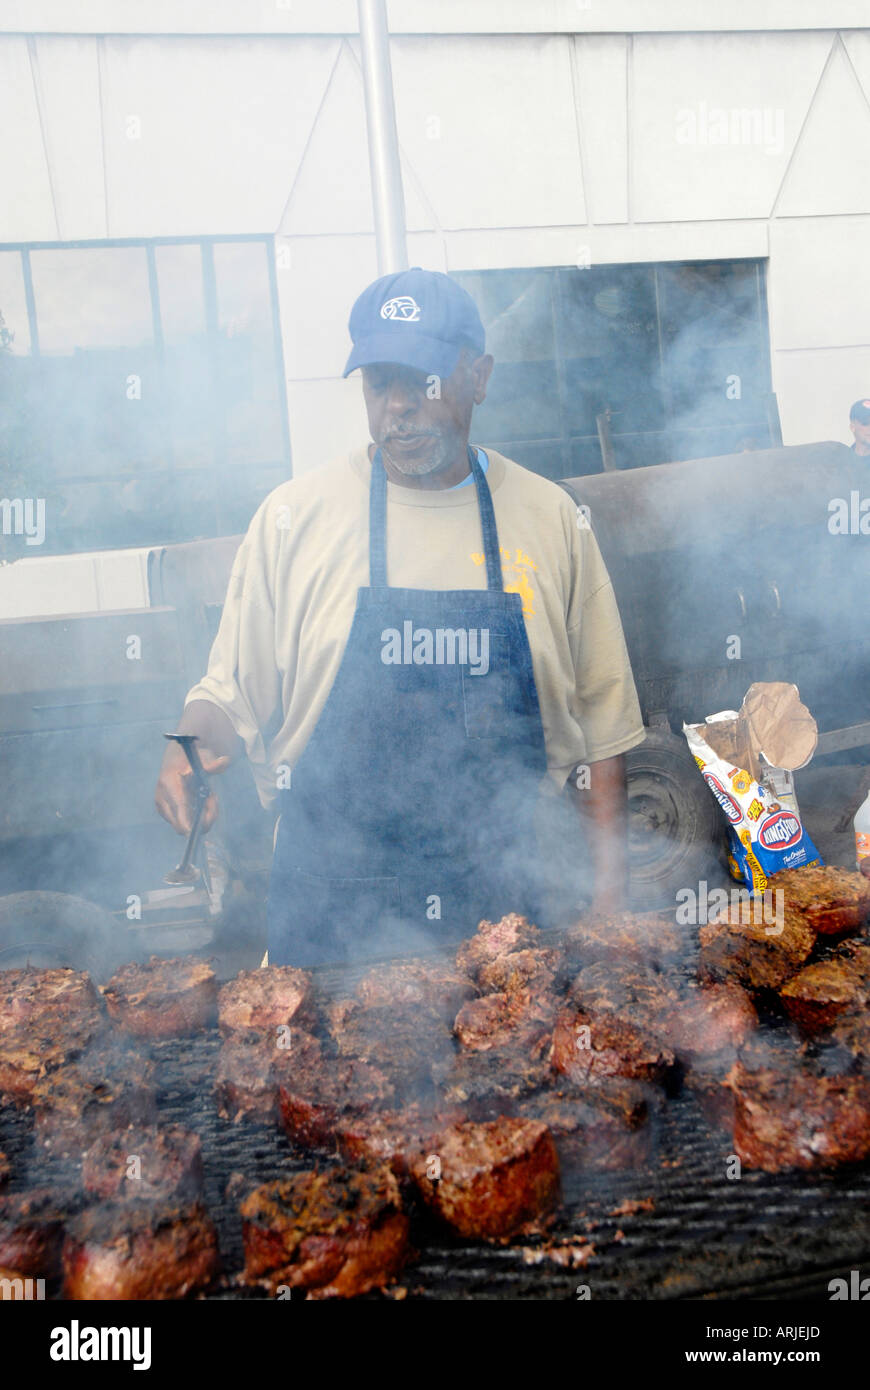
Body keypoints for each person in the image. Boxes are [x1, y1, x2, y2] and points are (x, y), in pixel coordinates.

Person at [154, 268, 645, 966]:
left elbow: (603, 735)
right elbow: (225, 695)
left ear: (478, 376)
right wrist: (186, 746)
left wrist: (608, 910)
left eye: (423, 380)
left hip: (501, 915)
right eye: (380, 382)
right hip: (328, 914)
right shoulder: (296, 519)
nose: (399, 407)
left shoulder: (551, 519)